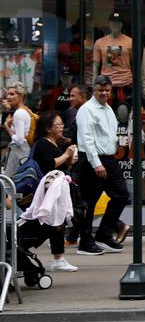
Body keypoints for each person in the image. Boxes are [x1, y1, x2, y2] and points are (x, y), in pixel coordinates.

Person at [74, 76, 128, 255]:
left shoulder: (108, 109)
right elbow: (87, 139)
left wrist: (120, 142)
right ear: (93, 90)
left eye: (107, 90)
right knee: (89, 202)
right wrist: (96, 163)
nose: (104, 93)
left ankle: (104, 235)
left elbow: (108, 135)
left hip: (109, 160)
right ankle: (85, 242)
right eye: (100, 90)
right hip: (92, 160)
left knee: (121, 194)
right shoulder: (86, 110)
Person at [29, 110, 78, 271]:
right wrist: (66, 154)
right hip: (47, 192)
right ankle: (57, 258)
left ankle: (58, 258)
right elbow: (49, 165)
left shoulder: (53, 143)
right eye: (58, 124)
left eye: (62, 124)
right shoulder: (43, 144)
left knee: (57, 223)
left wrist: (70, 160)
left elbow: (61, 166)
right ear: (48, 128)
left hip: (55, 191)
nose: (62, 127)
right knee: (53, 224)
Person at [4, 84, 33, 177]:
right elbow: (22, 133)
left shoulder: (19, 113)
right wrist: (11, 127)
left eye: (12, 94)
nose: (8, 97)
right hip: (23, 151)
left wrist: (7, 128)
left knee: (10, 183)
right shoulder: (25, 110)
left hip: (19, 152)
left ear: (21, 96)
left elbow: (20, 140)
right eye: (8, 94)